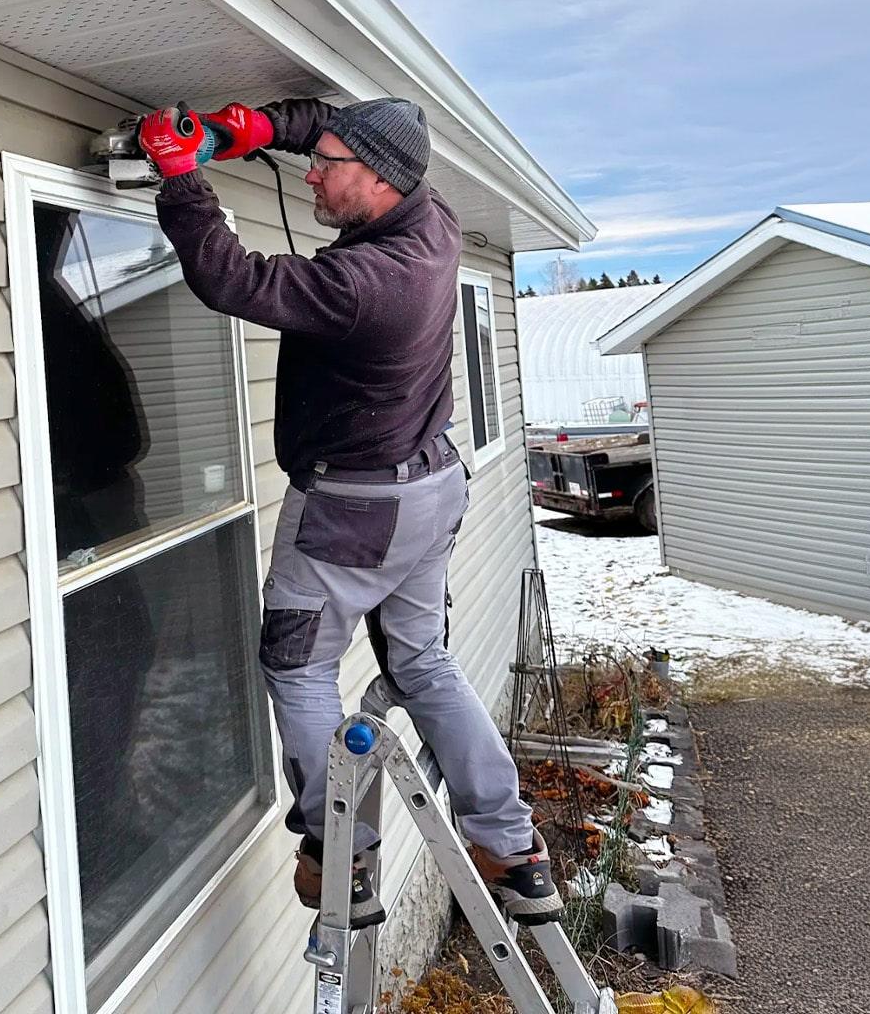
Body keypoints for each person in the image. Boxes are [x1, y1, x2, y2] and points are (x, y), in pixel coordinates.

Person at [136, 97, 563, 928]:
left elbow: (233, 278)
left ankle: (339, 852)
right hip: (428, 491)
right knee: (423, 667)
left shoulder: (369, 284)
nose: (313, 173)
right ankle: (510, 846)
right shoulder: (428, 220)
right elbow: (334, 121)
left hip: (351, 512)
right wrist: (261, 128)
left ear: (378, 178)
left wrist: (183, 177)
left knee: (298, 667)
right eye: (315, 156)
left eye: (327, 166)